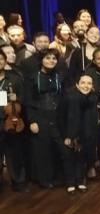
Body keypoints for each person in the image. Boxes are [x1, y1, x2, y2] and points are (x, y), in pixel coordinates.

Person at [25, 49, 66, 188]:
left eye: (54, 58)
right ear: (41, 60)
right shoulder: (32, 77)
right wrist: (32, 120)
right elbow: (28, 100)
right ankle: (45, 179)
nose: (51, 61)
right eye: (48, 58)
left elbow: (63, 97)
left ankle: (57, 177)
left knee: (58, 148)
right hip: (40, 116)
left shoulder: (59, 76)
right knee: (43, 150)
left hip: (57, 117)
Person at [63, 74, 98, 193]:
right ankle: (70, 182)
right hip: (71, 134)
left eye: (89, 83)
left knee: (82, 158)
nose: (86, 86)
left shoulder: (93, 98)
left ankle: (80, 181)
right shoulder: (69, 98)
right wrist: (66, 135)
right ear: (77, 85)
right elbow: (62, 118)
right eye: (83, 83)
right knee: (69, 158)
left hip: (86, 133)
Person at [0, 53, 28, 191]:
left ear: (5, 61)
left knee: (14, 154)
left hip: (11, 120)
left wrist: (17, 98)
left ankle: (19, 182)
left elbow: (24, 98)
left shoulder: (14, 79)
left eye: (0, 59)